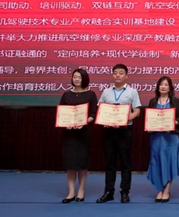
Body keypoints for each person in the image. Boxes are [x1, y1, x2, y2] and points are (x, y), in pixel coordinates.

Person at [96, 63, 142, 204]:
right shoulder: (106, 92)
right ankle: (108, 192)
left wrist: (124, 119)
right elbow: (100, 109)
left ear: (126, 76)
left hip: (124, 131)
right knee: (110, 162)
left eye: (121, 73)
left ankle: (125, 192)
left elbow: (137, 111)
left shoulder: (132, 92)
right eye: (115, 73)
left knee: (125, 163)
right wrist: (104, 120)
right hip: (109, 131)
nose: (117, 75)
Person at [59, 68, 98, 203]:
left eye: (79, 77)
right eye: (75, 77)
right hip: (69, 134)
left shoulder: (91, 94)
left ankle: (81, 191)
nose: (76, 79)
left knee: (82, 163)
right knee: (70, 163)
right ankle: (71, 192)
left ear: (84, 79)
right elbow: (61, 113)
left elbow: (93, 113)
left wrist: (84, 122)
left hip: (83, 133)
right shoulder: (66, 95)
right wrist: (65, 123)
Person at [145, 76, 179, 203]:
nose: (163, 87)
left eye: (166, 85)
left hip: (170, 137)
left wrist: (173, 123)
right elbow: (149, 118)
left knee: (169, 162)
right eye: (161, 84)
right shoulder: (153, 101)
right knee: (156, 162)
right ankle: (159, 189)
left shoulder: (175, 101)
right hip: (156, 137)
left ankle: (167, 189)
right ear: (158, 87)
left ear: (170, 87)